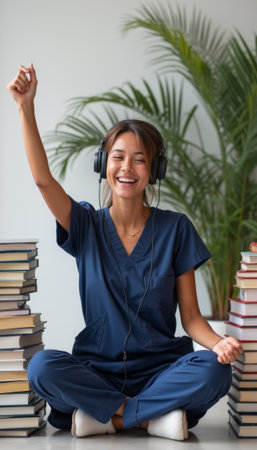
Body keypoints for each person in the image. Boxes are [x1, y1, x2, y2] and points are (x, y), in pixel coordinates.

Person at [6, 64, 243, 441]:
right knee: (42, 367)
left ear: (154, 169)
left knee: (215, 371)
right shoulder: (83, 224)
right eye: (118, 157)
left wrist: (220, 343)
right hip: (95, 369)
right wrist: (24, 107)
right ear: (104, 164)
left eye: (140, 159)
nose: (127, 168)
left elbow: (193, 319)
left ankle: (106, 418)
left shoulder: (176, 228)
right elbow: (42, 179)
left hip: (160, 371)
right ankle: (152, 420)